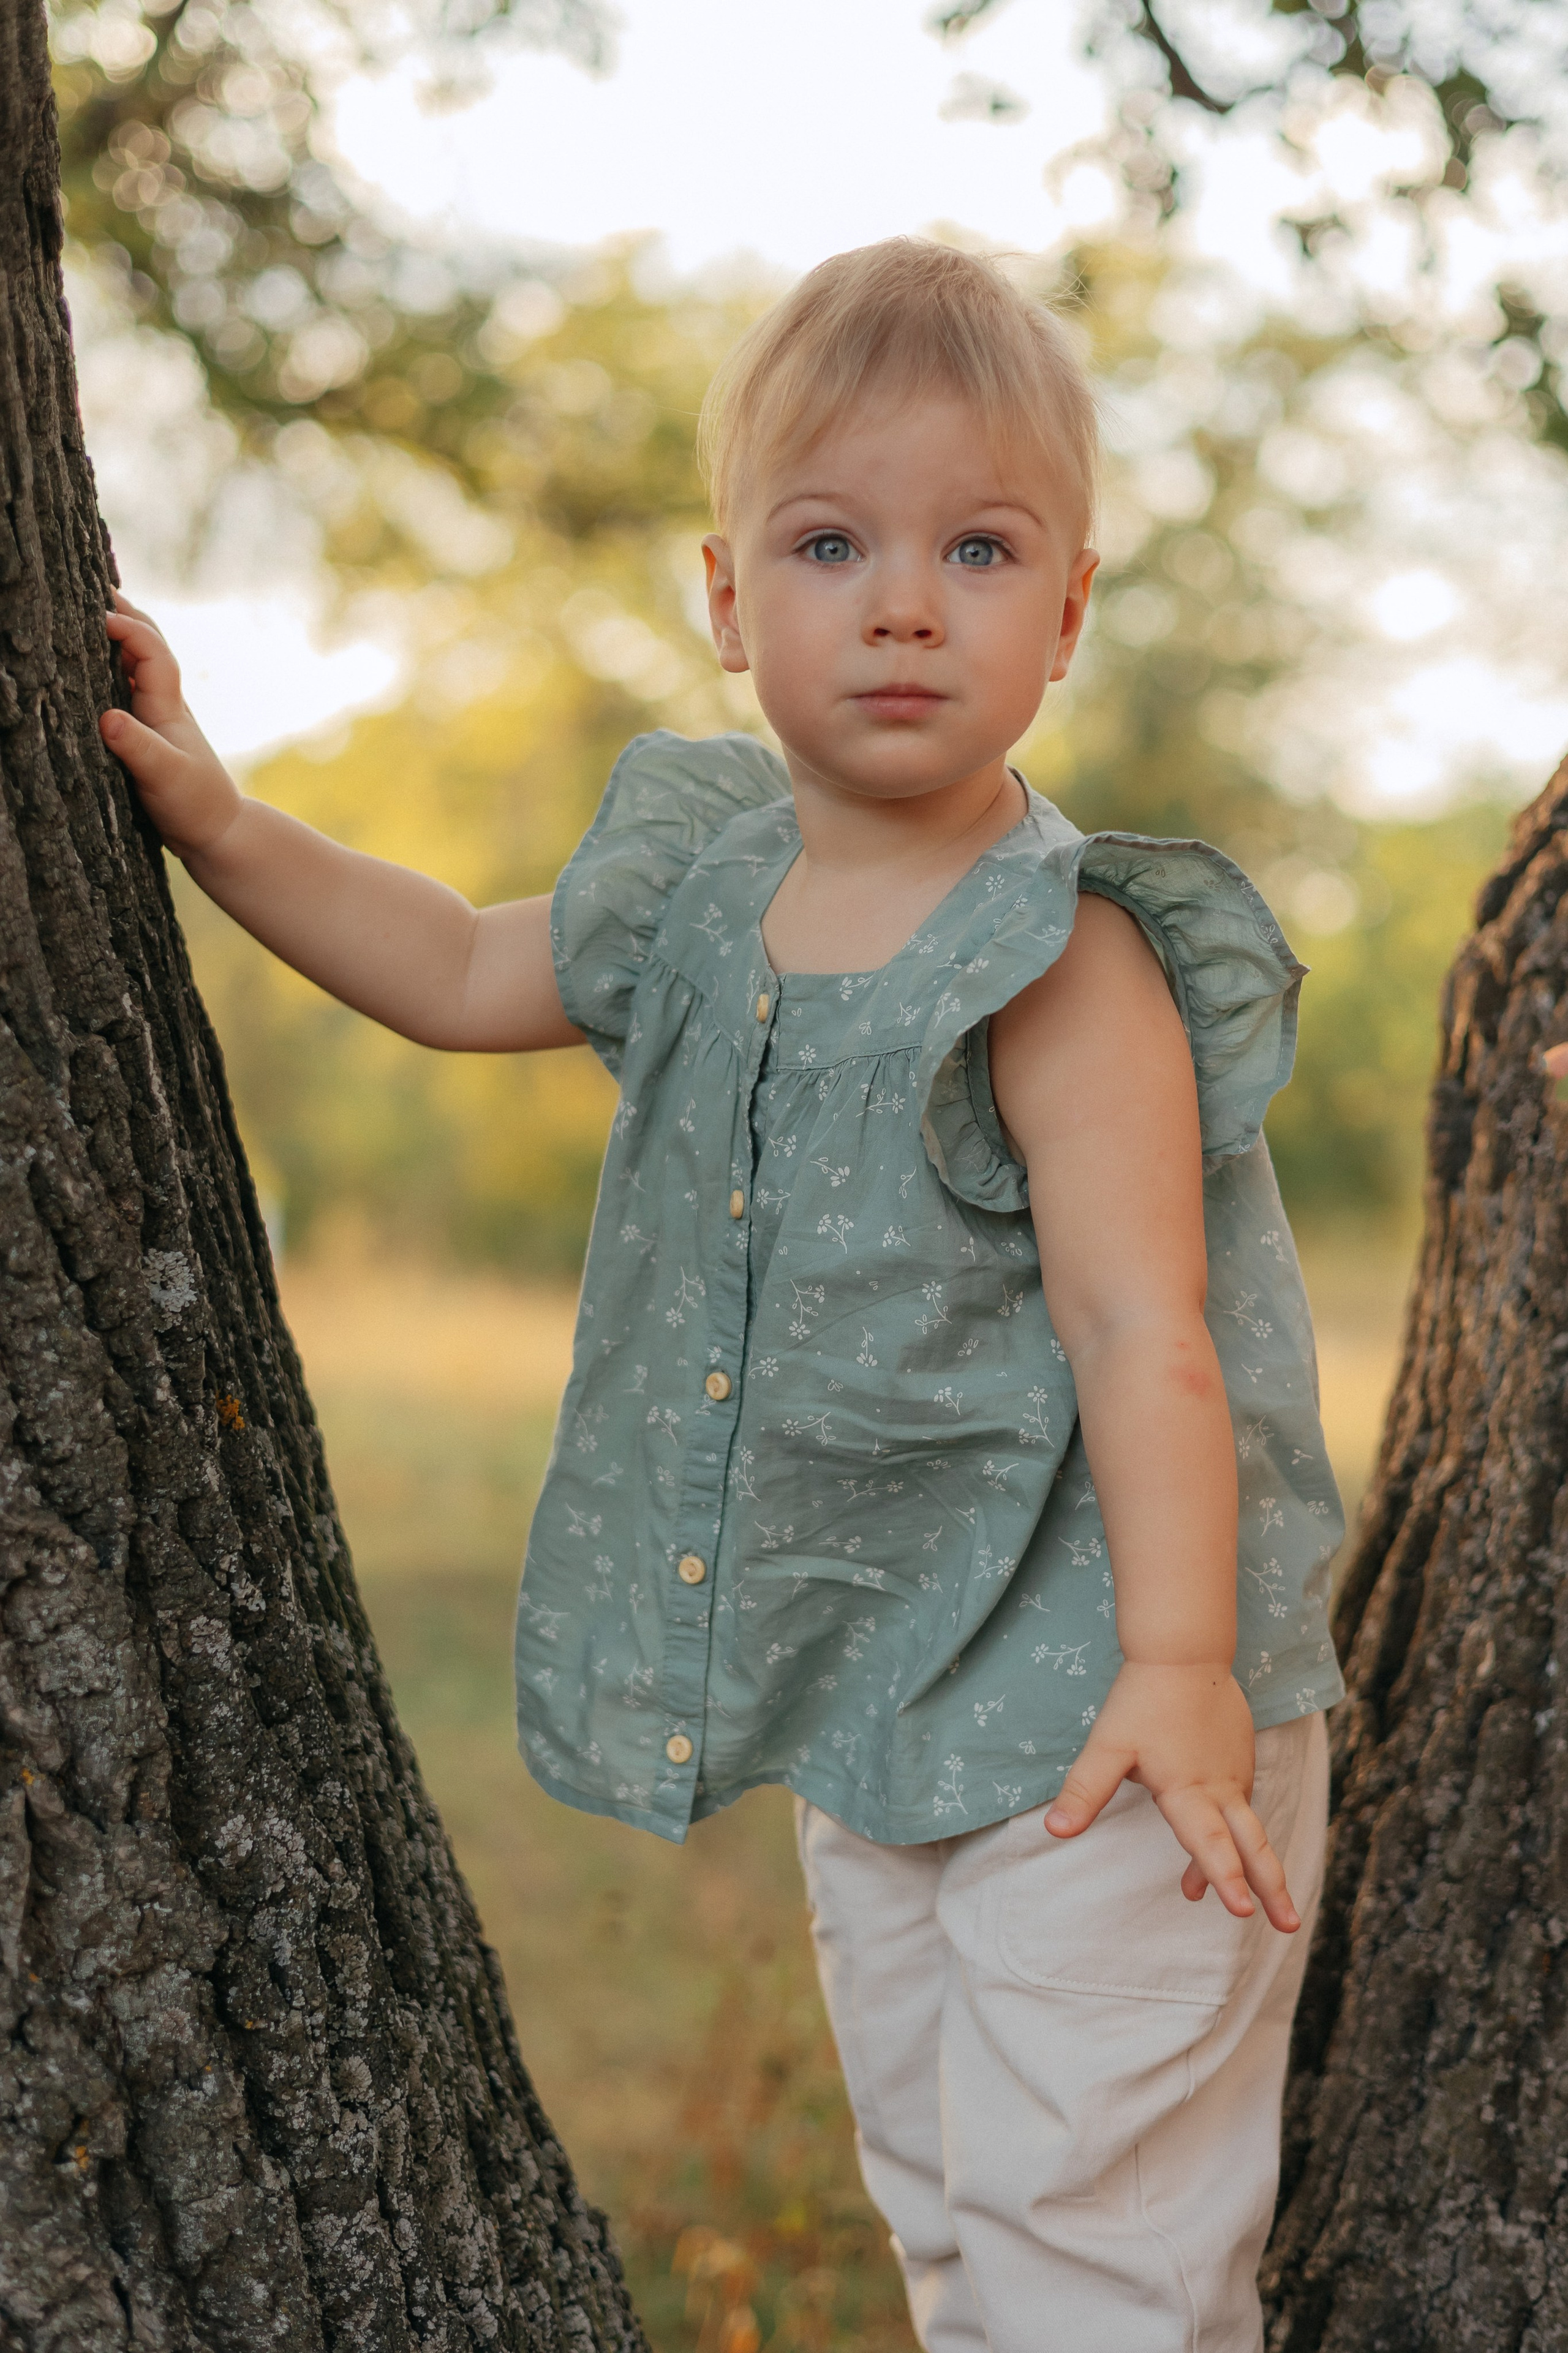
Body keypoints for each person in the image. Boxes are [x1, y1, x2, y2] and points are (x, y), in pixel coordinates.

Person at [102, 238, 1344, 2353]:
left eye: (977, 549)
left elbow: (1149, 1332)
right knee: (952, 2210)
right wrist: (221, 823)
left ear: (1067, 614)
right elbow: (456, 961)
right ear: (727, 594)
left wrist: (1182, 1660)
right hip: (879, 1704)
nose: (903, 604)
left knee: (1098, 2240)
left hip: (1114, 1716)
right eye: (831, 543)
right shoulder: (701, 884)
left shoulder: (1063, 958)